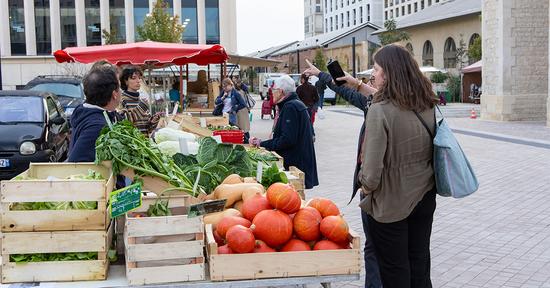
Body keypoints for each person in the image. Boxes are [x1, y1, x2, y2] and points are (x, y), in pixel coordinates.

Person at [359, 44, 438, 288]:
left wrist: (365, 190)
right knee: (419, 264)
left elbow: (371, 173)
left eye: (376, 69)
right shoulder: (427, 105)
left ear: (389, 73)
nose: (373, 74)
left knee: (394, 271)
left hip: (390, 203)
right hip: (424, 195)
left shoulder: (380, 110)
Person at [304, 59, 381, 288]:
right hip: (374, 192)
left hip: (382, 193)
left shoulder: (388, 109)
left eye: (377, 70)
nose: (373, 75)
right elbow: (346, 90)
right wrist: (322, 75)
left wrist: (367, 184)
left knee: (378, 250)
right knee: (374, 249)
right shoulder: (374, 103)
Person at [249, 75, 319, 190]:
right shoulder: (293, 104)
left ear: (281, 91)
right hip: (297, 163)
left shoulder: (290, 107)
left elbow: (287, 140)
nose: (272, 93)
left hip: (295, 166)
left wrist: (262, 143)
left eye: (273, 90)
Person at [68, 63, 122, 162]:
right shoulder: (96, 126)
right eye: (120, 87)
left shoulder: (89, 112)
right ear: (114, 94)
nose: (121, 91)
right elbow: (75, 163)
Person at [119, 66, 161, 135]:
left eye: (139, 78)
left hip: (144, 143)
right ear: (126, 81)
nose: (138, 81)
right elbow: (122, 121)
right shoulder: (122, 100)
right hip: (132, 143)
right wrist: (141, 108)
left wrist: (153, 121)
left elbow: (148, 129)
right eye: (133, 78)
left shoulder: (141, 100)